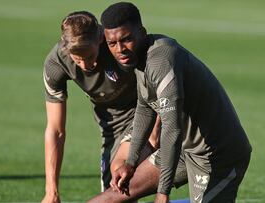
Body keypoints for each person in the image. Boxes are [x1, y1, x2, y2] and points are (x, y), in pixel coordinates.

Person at [101, 2, 252, 203]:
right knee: (112, 197)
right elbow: (145, 109)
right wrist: (130, 162)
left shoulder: (161, 60)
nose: (120, 49)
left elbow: (172, 128)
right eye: (112, 44)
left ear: (142, 32)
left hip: (217, 155)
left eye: (126, 39)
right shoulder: (138, 59)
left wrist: (163, 193)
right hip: (183, 150)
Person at [41, 11, 160, 203]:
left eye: (89, 56)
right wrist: (51, 192)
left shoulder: (119, 45)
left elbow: (160, 87)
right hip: (110, 123)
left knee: (119, 173)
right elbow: (55, 130)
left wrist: (154, 133)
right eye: (77, 59)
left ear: (100, 37)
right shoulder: (56, 64)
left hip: (146, 110)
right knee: (113, 191)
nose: (87, 64)